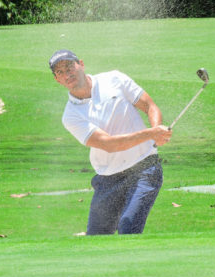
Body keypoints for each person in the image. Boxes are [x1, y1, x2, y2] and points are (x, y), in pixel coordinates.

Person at [49, 49, 172, 235]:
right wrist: (151, 133)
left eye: (69, 66)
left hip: (145, 168)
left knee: (128, 226)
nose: (67, 74)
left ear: (81, 64)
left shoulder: (114, 79)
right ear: (57, 79)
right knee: (97, 236)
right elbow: (109, 144)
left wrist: (157, 131)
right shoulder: (71, 116)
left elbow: (149, 106)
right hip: (108, 179)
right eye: (60, 72)